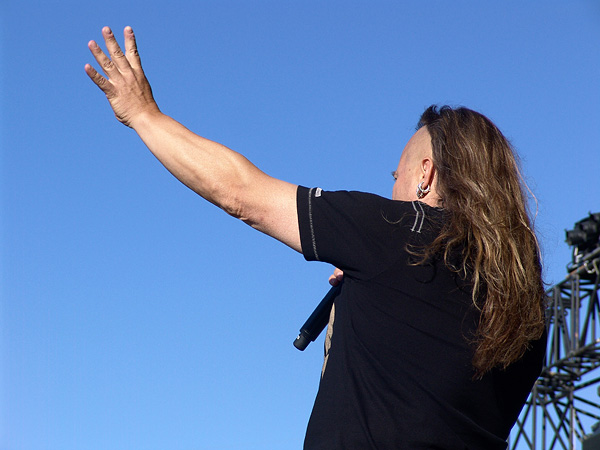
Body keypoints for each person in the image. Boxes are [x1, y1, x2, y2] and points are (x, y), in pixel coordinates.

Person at [85, 27, 547, 449]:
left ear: (425, 174)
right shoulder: (527, 308)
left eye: (397, 175)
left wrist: (143, 115)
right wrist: (359, 310)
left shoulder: (393, 231)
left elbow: (241, 194)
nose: (392, 188)